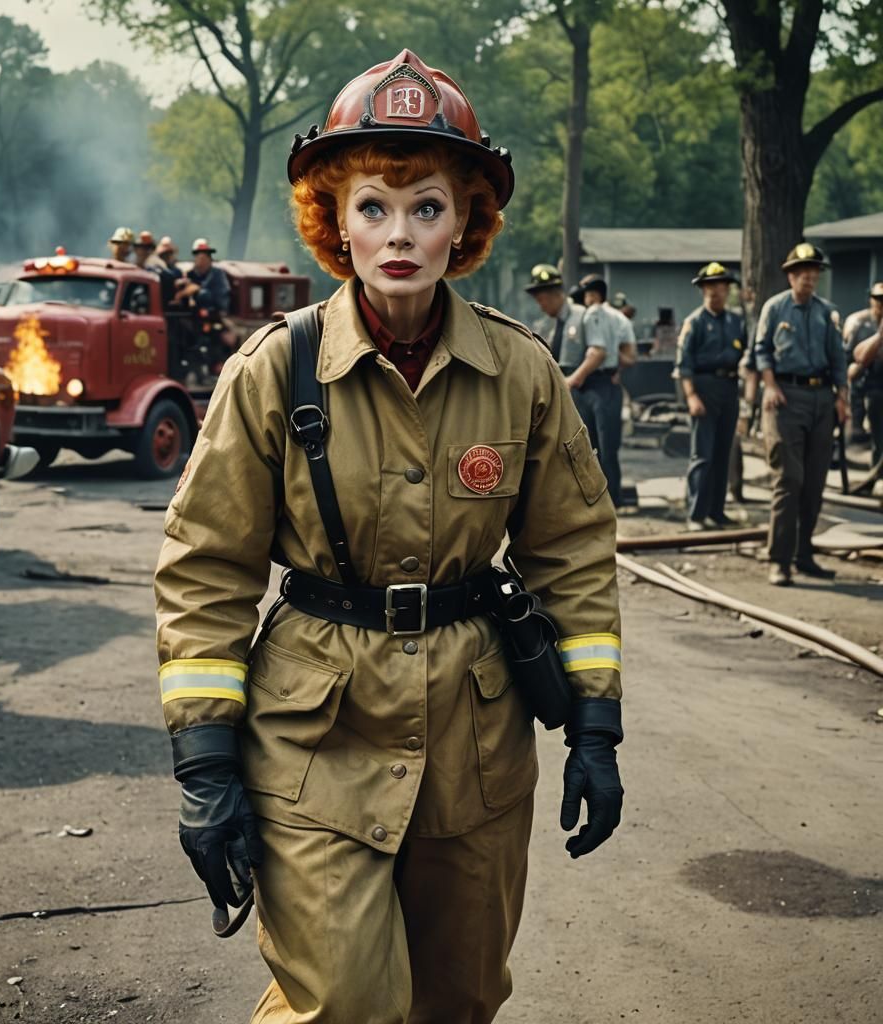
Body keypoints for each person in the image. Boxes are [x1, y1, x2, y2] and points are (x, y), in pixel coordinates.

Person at [154, 49, 624, 1024]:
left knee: (457, 999)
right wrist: (204, 763)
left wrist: (596, 725)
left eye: (427, 206)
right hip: (313, 733)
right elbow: (206, 568)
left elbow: (571, 552)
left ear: (466, 224)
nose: (399, 233)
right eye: (372, 206)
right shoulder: (270, 373)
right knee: (346, 1004)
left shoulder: (521, 373)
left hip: (477, 736)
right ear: (334, 221)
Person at [754, 242, 848, 586]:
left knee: (814, 482)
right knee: (788, 479)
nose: (809, 278)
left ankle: (803, 553)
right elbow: (761, 350)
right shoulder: (775, 308)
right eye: (802, 272)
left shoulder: (827, 312)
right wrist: (769, 385)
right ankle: (778, 558)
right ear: (791, 276)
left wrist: (843, 397)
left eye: (814, 272)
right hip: (785, 396)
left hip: (822, 397)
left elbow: (838, 357)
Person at [676, 262, 748, 530]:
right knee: (702, 455)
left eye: (720, 286)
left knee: (722, 453)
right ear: (702, 290)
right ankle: (696, 514)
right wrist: (691, 396)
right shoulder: (694, 322)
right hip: (703, 387)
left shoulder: (735, 322)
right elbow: (683, 365)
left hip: (728, 387)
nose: (715, 291)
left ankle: (717, 511)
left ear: (727, 289)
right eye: (709, 286)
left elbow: (746, 355)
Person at [577, 272, 632, 507]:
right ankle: (613, 498)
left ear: (594, 295)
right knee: (608, 445)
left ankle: (602, 499)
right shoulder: (620, 319)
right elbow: (630, 357)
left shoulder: (591, 315)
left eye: (588, 294)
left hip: (591, 382)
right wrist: (617, 367)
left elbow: (597, 352)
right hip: (607, 382)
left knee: (594, 446)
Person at [844, 282, 883, 468]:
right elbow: (850, 358)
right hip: (869, 387)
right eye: (878, 298)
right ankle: (877, 473)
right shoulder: (859, 323)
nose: (881, 303)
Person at [524, 262, 587, 374]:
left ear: (555, 294)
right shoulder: (553, 324)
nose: (541, 307)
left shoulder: (581, 316)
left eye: (541, 300)